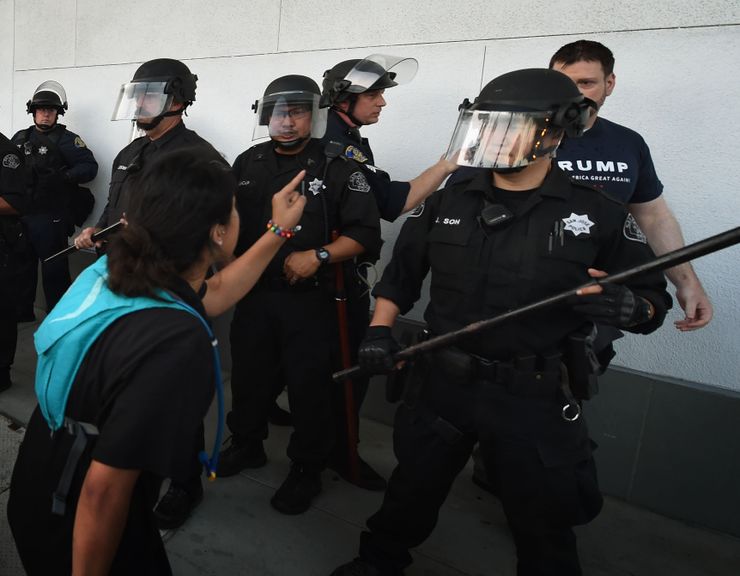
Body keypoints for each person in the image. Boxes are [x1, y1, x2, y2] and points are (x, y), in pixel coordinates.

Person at [330, 68, 671, 576]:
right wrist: (380, 330)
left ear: (556, 130)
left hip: (530, 395)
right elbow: (401, 277)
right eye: (487, 125)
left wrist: (634, 308)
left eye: (510, 127)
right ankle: (378, 561)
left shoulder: (595, 212)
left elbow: (651, 299)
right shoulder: (450, 199)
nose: (494, 139)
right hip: (441, 380)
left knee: (543, 521)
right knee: (412, 489)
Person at [7, 148, 306, 575]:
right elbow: (104, 493)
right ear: (218, 231)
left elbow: (214, 292)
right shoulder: (176, 343)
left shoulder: (120, 272)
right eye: (235, 210)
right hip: (74, 515)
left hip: (41, 471)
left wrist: (277, 231)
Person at [217, 74, 382, 515]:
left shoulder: (336, 163)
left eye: (297, 111)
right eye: (278, 112)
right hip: (254, 295)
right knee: (250, 377)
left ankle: (307, 467)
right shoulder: (247, 162)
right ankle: (247, 443)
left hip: (311, 301)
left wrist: (320, 255)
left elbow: (365, 234)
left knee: (311, 389)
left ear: (316, 114)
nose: (286, 121)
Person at [73, 58, 225, 530]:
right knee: (127, 384)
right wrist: (98, 230)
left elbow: (204, 232)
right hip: (122, 282)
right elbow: (117, 210)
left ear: (176, 99)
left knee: (171, 391)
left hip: (168, 290)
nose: (138, 104)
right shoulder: (131, 152)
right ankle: (128, 459)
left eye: (148, 95)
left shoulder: (198, 157)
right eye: (135, 95)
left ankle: (184, 481)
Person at [320, 55, 458, 490]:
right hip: (335, 280)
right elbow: (394, 201)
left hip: (318, 276)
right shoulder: (340, 144)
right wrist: (447, 165)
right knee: (346, 369)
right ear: (345, 98)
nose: (383, 103)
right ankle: (338, 453)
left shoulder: (342, 136)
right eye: (374, 94)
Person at [549, 39, 711, 331]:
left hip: (600, 296)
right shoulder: (522, 137)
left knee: (583, 367)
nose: (573, 93)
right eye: (562, 82)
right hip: (530, 292)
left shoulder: (627, 142)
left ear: (609, 84)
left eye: (586, 82)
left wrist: (687, 283)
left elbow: (653, 217)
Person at [11, 81, 98, 314]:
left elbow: (90, 167)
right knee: (22, 264)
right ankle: (21, 312)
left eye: (51, 110)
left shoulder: (68, 140)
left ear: (58, 113)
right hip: (23, 213)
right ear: (33, 112)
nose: (46, 114)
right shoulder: (20, 138)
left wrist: (64, 176)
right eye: (41, 109)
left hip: (51, 215)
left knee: (54, 267)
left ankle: (58, 313)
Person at [0, 131, 30, 392]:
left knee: (2, 309)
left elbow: (14, 202)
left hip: (2, 243)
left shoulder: (7, 154)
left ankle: (1, 372)